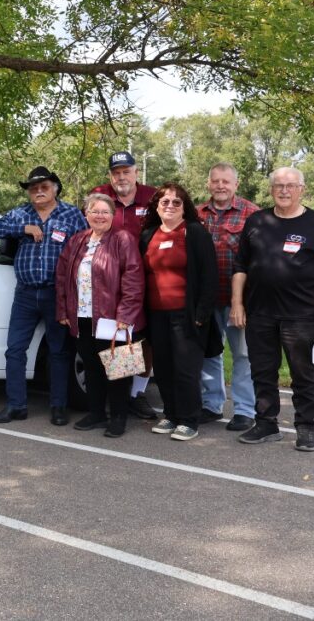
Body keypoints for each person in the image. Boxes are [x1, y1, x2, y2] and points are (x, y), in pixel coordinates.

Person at [231, 166, 314, 452]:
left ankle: (306, 428)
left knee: (303, 374)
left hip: (301, 315)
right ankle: (266, 423)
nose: (284, 190)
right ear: (271, 189)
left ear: (301, 189)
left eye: (290, 185)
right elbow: (240, 265)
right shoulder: (257, 221)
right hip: (260, 313)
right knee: (262, 371)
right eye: (278, 185)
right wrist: (237, 303)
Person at [0, 166, 87, 426]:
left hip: (58, 293)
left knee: (59, 352)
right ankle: (16, 406)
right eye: (34, 188)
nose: (38, 191)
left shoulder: (72, 214)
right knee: (15, 350)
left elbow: (87, 243)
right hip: (26, 294)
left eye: (44, 187)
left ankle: (58, 407)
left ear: (55, 188)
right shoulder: (21, 214)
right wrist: (24, 228)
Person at [56, 193, 145, 437]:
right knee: (92, 367)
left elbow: (133, 277)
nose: (100, 216)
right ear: (86, 215)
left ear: (113, 215)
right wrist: (64, 310)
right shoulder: (77, 241)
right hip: (83, 317)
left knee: (118, 369)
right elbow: (62, 276)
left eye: (105, 211)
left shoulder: (122, 239)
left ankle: (118, 417)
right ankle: (96, 414)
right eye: (94, 211)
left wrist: (126, 314)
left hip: (113, 319)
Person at [139, 183, 220, 441]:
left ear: (185, 207)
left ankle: (189, 419)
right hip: (156, 315)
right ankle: (171, 414)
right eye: (165, 202)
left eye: (176, 202)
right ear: (156, 206)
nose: (170, 206)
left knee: (186, 369)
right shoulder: (149, 234)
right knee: (162, 368)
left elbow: (209, 276)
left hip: (187, 315)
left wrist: (201, 314)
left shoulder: (194, 232)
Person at [91, 151, 159, 420]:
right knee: (115, 336)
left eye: (126, 171)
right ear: (110, 175)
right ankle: (116, 393)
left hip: (148, 278)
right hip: (108, 281)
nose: (121, 177)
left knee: (144, 340)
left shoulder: (153, 197)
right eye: (116, 172)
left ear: (136, 173)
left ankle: (135, 393)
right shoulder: (101, 195)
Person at [196, 162, 259, 432]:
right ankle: (211, 404)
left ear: (236, 184)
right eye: (216, 181)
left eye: (226, 181)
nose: (220, 186)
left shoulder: (252, 214)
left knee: (243, 355)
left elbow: (260, 259)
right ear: (209, 183)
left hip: (240, 300)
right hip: (207, 299)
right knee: (210, 353)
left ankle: (245, 410)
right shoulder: (196, 214)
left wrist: (243, 301)